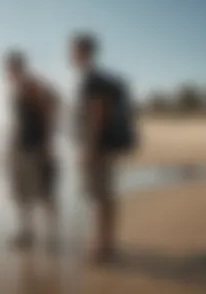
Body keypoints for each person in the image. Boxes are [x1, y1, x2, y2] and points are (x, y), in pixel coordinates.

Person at [70, 32, 137, 264]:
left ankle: (102, 247)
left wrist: (89, 148)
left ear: (83, 52)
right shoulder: (98, 78)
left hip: (98, 148)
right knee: (106, 196)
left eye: (72, 51)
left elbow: (97, 114)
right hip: (106, 147)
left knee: (100, 197)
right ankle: (108, 242)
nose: (70, 55)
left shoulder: (92, 79)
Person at [4, 50, 60, 253]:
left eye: (10, 68)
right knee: (22, 194)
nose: (8, 72)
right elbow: (19, 122)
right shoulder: (18, 89)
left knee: (44, 193)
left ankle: (51, 236)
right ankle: (27, 234)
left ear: (18, 67)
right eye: (7, 69)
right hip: (21, 148)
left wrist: (47, 142)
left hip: (35, 148)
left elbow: (51, 110)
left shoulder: (30, 85)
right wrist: (9, 147)